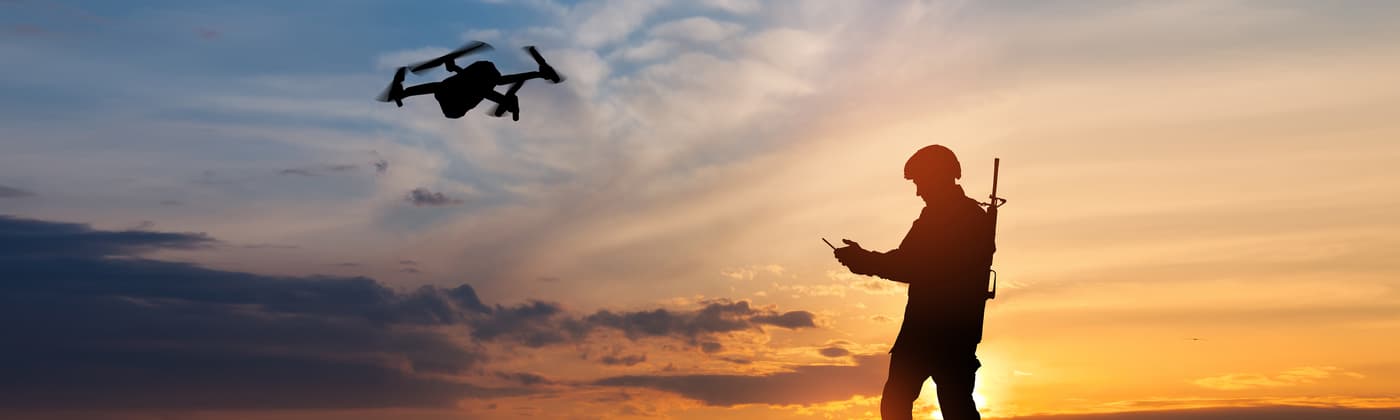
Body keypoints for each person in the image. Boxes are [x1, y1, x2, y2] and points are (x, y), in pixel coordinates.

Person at [833, 144, 995, 420]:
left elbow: (913, 265)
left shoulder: (961, 218)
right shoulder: (941, 217)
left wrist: (864, 261)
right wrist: (864, 260)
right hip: (936, 331)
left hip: (942, 332)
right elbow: (910, 261)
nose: (918, 191)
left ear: (940, 176)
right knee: (922, 401)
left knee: (940, 403)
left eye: (921, 181)